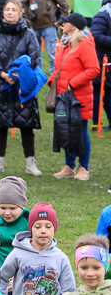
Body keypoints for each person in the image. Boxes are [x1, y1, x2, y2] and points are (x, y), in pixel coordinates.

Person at [0, 0, 44, 176]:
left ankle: (30, 164)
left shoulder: (29, 35)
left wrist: (19, 76)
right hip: (1, 85)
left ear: (20, 13)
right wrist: (3, 75)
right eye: (7, 9)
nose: (10, 12)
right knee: (0, 127)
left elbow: (34, 57)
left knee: (27, 127)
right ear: (3, 12)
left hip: (22, 88)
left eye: (13, 10)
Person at [50, 13, 99, 181]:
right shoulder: (65, 44)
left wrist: (73, 83)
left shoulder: (84, 44)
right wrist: (52, 81)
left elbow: (93, 69)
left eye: (66, 22)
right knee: (66, 131)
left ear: (74, 26)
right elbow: (60, 67)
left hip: (78, 98)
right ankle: (69, 166)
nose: (62, 24)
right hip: (64, 97)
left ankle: (83, 168)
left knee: (81, 131)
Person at [23, 0, 70, 72]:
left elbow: (65, 5)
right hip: (34, 26)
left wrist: (60, 21)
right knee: (35, 53)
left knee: (52, 54)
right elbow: (25, 4)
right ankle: (38, 76)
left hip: (49, 26)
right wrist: (27, 17)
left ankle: (54, 77)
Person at [0, 175, 30, 265]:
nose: (7, 212)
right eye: (3, 208)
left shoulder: (31, 223)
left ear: (22, 206)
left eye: (12, 208)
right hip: (2, 275)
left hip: (25, 274)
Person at [91, 0, 111, 129]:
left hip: (107, 60)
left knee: (108, 93)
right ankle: (96, 123)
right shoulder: (101, 16)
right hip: (100, 60)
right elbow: (96, 36)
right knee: (98, 92)